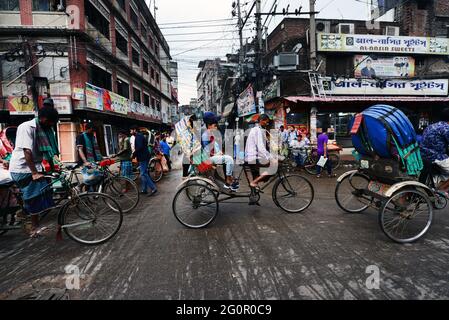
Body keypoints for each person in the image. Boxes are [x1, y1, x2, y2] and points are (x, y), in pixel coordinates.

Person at [9, 105, 60, 236]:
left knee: (47, 189)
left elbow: (48, 152)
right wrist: (34, 173)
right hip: (21, 169)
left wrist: (54, 169)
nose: (50, 125)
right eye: (49, 122)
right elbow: (27, 151)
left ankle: (26, 212)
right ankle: (32, 224)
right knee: (36, 194)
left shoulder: (45, 130)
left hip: (34, 167)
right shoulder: (26, 127)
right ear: (42, 118)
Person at [201, 112, 239, 191]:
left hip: (212, 156)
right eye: (214, 125)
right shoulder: (206, 135)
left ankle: (229, 179)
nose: (216, 127)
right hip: (208, 158)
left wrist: (219, 153)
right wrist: (216, 154)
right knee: (229, 159)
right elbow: (207, 151)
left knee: (227, 159)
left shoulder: (211, 133)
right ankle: (228, 180)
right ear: (209, 125)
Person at [420, 108, 449, 192]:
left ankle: (438, 185)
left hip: (424, 155)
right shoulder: (446, 128)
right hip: (435, 157)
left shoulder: (432, 125)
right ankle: (439, 191)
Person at [245, 114, 277, 188]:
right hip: (253, 157)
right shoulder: (257, 130)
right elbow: (261, 147)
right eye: (266, 121)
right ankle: (254, 182)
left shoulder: (258, 130)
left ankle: (256, 183)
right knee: (274, 166)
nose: (267, 123)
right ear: (261, 121)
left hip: (253, 156)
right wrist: (270, 157)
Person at [131, 125, 157, 196]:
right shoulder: (139, 136)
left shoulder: (139, 136)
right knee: (143, 173)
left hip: (143, 157)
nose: (130, 132)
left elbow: (139, 147)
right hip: (144, 156)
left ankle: (153, 188)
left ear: (134, 130)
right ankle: (144, 189)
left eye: (131, 130)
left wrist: (133, 154)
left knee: (143, 173)